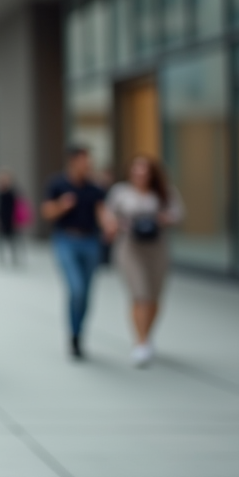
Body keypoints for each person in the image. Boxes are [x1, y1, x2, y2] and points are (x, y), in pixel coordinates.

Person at [102, 155, 185, 367]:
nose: (140, 175)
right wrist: (116, 224)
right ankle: (140, 342)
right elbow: (107, 214)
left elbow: (178, 215)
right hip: (130, 248)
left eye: (144, 171)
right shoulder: (121, 192)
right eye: (136, 170)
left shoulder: (165, 192)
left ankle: (147, 335)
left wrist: (162, 219)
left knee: (154, 297)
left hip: (156, 248)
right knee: (140, 295)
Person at [42, 145, 109, 359]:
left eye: (88, 160)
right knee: (76, 289)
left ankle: (78, 335)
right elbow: (47, 212)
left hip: (90, 241)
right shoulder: (58, 184)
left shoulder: (95, 188)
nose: (87, 164)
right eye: (83, 160)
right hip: (66, 240)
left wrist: (110, 226)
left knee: (86, 294)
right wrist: (62, 206)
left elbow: (102, 212)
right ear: (73, 161)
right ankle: (72, 334)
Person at [0, 169, 19, 266]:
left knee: (12, 240)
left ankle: (14, 257)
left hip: (11, 220)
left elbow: (16, 206)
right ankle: (1, 257)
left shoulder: (12, 192)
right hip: (1, 219)